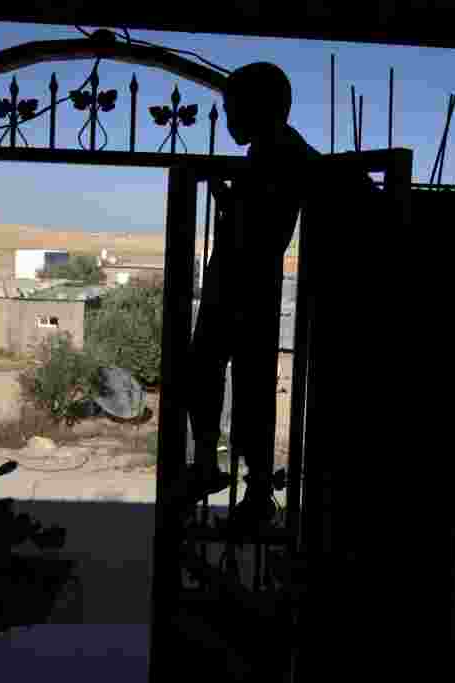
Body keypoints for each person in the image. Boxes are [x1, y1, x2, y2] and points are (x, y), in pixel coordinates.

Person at [169, 61, 323, 532]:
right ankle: (234, 478)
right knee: (224, 377)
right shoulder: (272, 150)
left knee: (239, 382)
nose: (229, 118)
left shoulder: (283, 151)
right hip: (241, 281)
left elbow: (261, 223)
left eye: (233, 107)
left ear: (259, 107)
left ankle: (246, 486)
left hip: (246, 283)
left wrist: (229, 201)